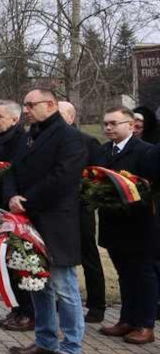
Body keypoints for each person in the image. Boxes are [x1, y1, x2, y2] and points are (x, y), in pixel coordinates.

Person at [4, 88, 87, 354]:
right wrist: (12, 195)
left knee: (64, 287)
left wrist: (27, 200)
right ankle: (46, 341)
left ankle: (72, 349)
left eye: (30, 104)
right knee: (37, 283)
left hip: (56, 222)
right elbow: (12, 170)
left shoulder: (70, 138)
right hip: (29, 221)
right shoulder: (29, 136)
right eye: (25, 104)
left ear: (50, 104)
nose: (26, 110)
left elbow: (62, 178)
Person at [92, 106, 158, 344]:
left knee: (143, 274)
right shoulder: (102, 152)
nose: (108, 127)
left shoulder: (146, 152)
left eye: (114, 123)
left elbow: (150, 187)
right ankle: (126, 319)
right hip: (112, 224)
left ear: (130, 125)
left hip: (140, 226)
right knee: (124, 274)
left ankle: (145, 324)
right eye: (106, 124)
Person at [0, 100, 33, 331]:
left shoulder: (22, 140)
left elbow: (19, 173)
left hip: (14, 211)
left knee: (21, 261)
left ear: (14, 119)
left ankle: (28, 312)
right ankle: (16, 310)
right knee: (6, 261)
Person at [59, 100, 106, 323]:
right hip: (55, 209)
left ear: (71, 117)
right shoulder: (47, 142)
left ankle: (96, 306)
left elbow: (98, 176)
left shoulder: (88, 142)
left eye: (59, 114)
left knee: (88, 254)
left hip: (80, 208)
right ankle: (59, 301)